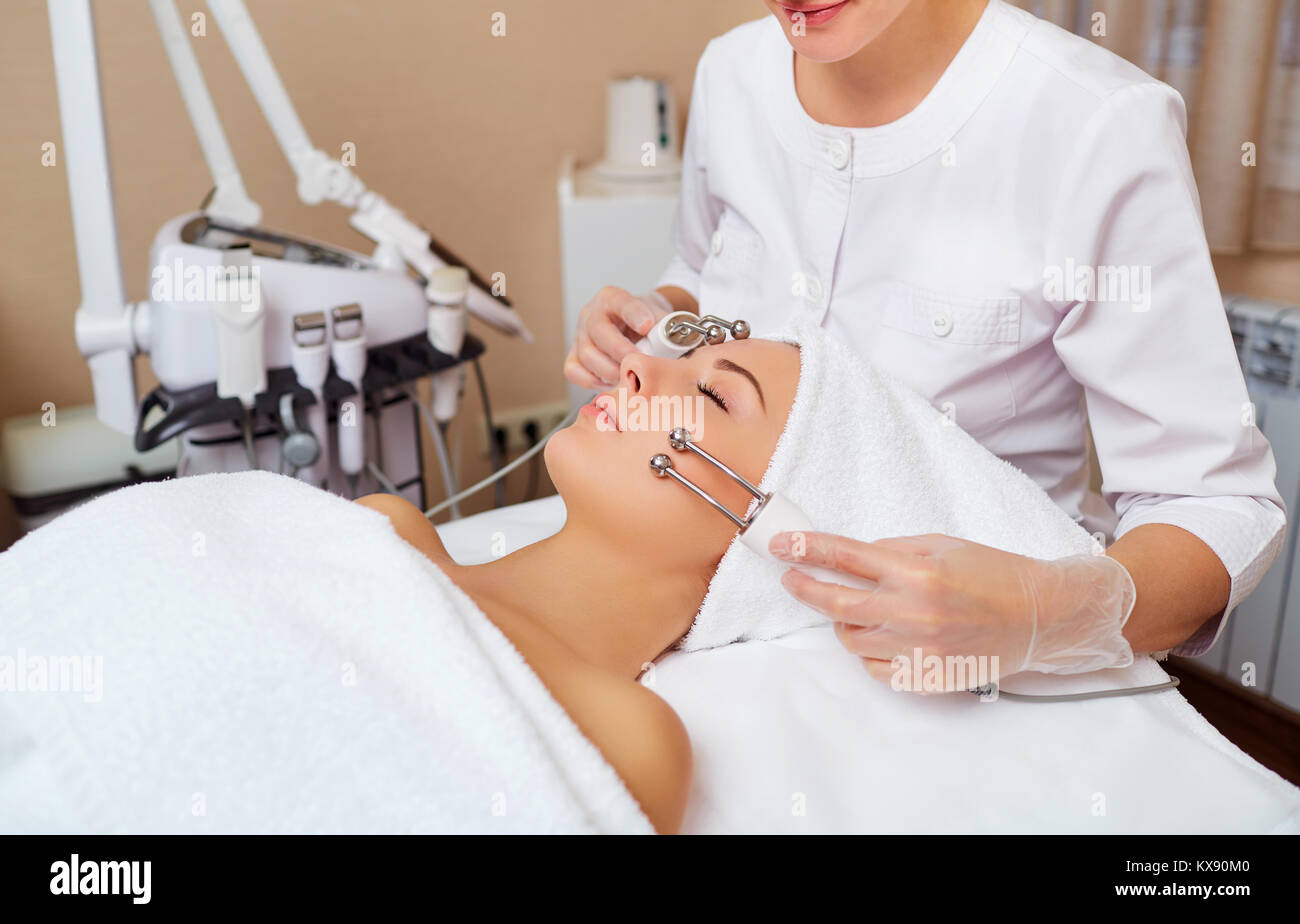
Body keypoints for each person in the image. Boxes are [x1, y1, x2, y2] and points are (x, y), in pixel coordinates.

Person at [564, 0, 1286, 677]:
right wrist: (655, 313)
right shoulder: (732, 71)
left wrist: (1041, 612)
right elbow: (697, 264)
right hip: (724, 627)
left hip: (971, 681)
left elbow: (1215, 503)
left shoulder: (1094, 123)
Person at [361, 335, 801, 833]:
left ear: (768, 535)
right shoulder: (382, 530)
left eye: (712, 396)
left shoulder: (631, 746)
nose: (635, 363)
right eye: (680, 357)